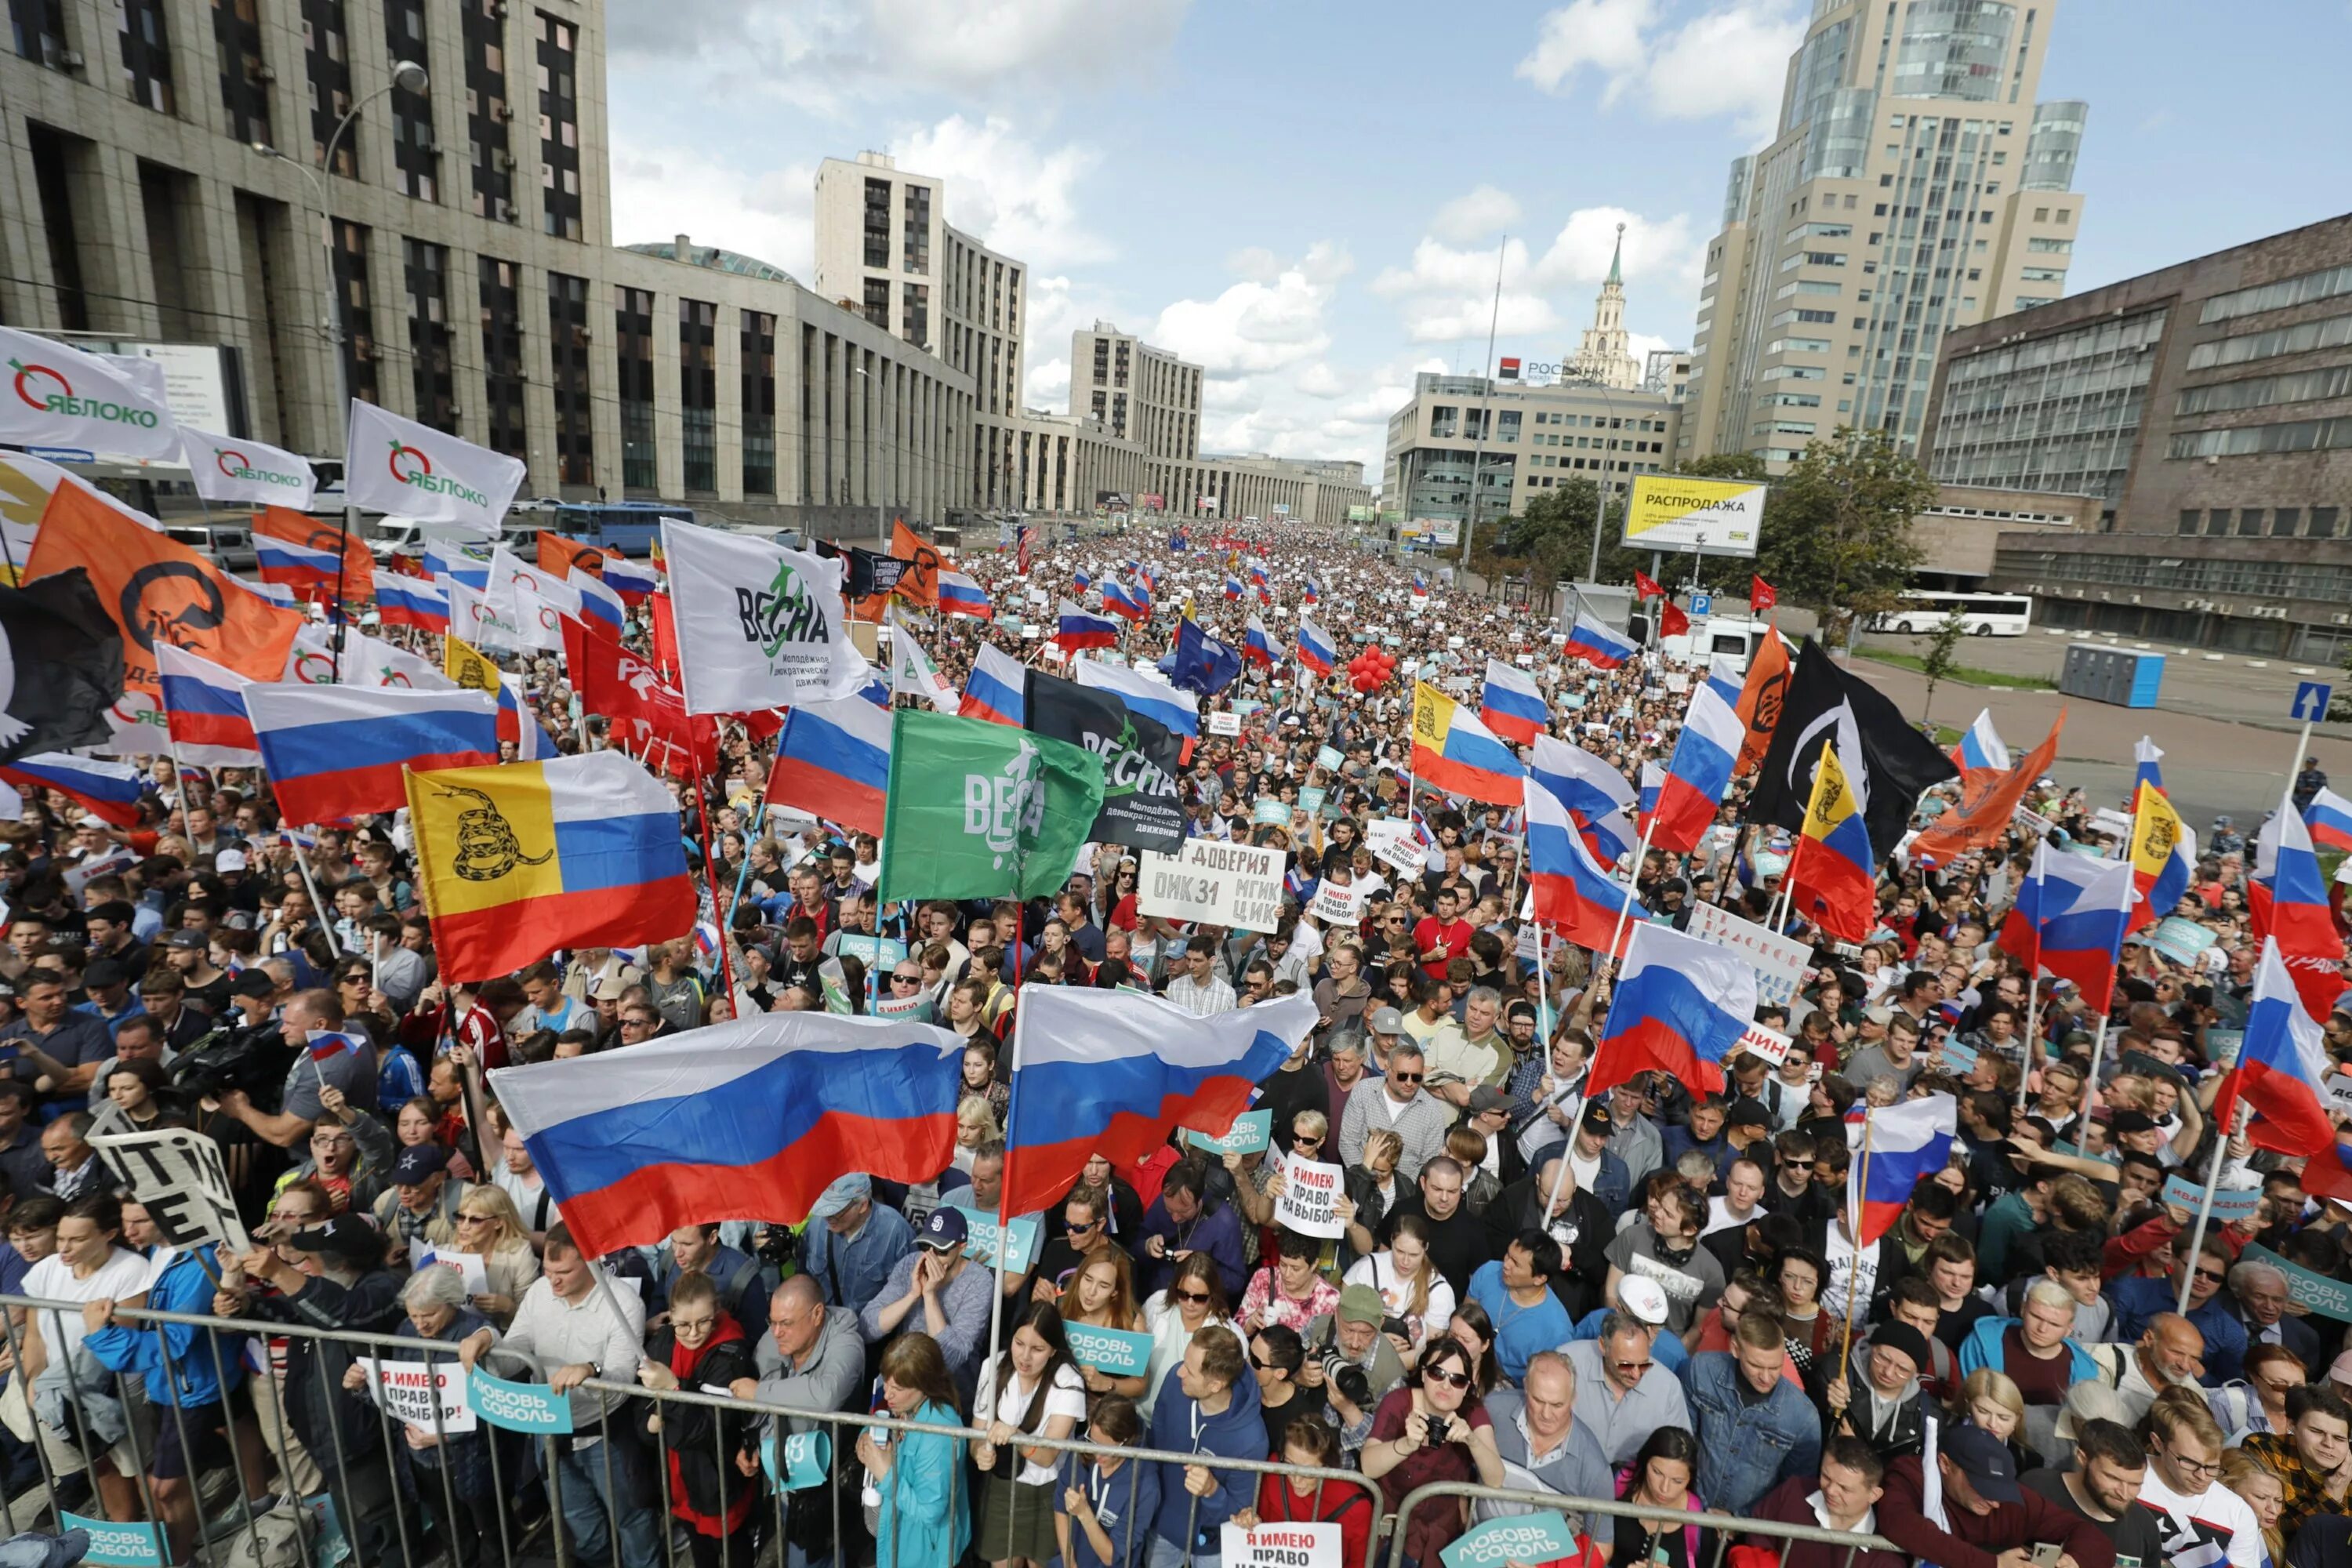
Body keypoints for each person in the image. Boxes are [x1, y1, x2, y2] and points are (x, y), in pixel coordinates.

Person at [463, 1221, 662, 1568]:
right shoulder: (541, 1291)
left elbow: (620, 1379)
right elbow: (517, 1350)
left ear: (591, 1263)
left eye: (564, 1272)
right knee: (581, 1523)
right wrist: (487, 1340)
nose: (553, 1280)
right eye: (547, 1269)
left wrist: (590, 1370)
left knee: (632, 1522)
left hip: (605, 1435)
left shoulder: (624, 1303)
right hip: (551, 1433)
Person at [17, 1192, 162, 1522]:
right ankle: (126, 1533)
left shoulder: (131, 1269)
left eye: (77, 1240)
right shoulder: (46, 1269)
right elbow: (35, 1333)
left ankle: (162, 1537)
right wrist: (33, 1381)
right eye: (61, 1238)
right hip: (57, 1388)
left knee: (139, 1467)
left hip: (115, 1390)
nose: (64, 1249)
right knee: (98, 1466)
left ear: (109, 1234)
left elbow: (117, 1343)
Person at [637, 1269, 760, 1568]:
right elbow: (641, 1407)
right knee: (699, 1547)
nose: (693, 1333)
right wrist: (648, 1424)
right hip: (679, 1476)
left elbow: (709, 1429)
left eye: (703, 1321)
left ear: (716, 1311)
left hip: (716, 1475)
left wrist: (672, 1390)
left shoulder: (731, 1354)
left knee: (732, 1547)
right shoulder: (663, 1342)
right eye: (683, 1324)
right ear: (671, 1317)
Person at [1362, 1334, 1503, 1568]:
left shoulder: (1472, 1412)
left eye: (1457, 1380)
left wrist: (1472, 1440)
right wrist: (1406, 1445)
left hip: (1443, 1537)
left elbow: (1496, 1479)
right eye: (1438, 1374)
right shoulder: (1399, 1402)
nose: (1446, 1386)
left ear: (1467, 1386)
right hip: (1392, 1531)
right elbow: (1368, 1465)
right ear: (1424, 1374)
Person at [973, 1303, 1088, 1568]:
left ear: (1053, 1351)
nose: (1025, 1357)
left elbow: (1048, 1456)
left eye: (1037, 1349)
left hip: (1048, 1492)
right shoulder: (993, 1366)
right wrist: (979, 1451)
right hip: (1000, 1488)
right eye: (1019, 1343)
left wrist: (1015, 1435)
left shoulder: (1068, 1381)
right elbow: (976, 1434)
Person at [1682, 1308, 1823, 1516]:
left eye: (1775, 1367)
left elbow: (1793, 1490)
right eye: (1756, 1366)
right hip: (1690, 1506)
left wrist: (1741, 1518)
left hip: (1752, 1526)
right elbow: (1684, 1441)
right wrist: (1691, 1501)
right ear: (1736, 1349)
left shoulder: (1803, 1416)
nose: (1766, 1377)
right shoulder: (1702, 1370)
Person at [1145, 1325, 1263, 1568]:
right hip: (1162, 1528)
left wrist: (1212, 1491)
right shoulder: (1174, 1381)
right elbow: (1158, 1425)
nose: (1179, 1373)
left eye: (1189, 1370)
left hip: (1213, 1545)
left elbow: (1240, 1511)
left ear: (1215, 1385)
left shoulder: (1251, 1438)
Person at [857, 1332, 973, 1568]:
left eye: (897, 1389)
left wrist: (885, 1474)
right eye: (886, 1383)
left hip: (925, 1556)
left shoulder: (939, 1433)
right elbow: (879, 1419)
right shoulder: (907, 1405)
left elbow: (930, 1512)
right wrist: (865, 1438)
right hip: (901, 1543)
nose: (887, 1395)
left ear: (924, 1386)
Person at [1485, 1352, 1617, 1558]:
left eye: (1557, 1405)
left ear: (1573, 1399)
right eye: (1538, 1400)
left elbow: (1601, 1547)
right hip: (1478, 1553)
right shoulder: (1493, 1410)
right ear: (1526, 1386)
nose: (1546, 1414)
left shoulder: (1594, 1467)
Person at [862, 1205, 993, 1390]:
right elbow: (867, 1328)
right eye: (926, 1246)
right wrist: (913, 1295)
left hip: (949, 1393)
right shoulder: (910, 1264)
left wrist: (930, 1296)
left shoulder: (979, 1282)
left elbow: (950, 1359)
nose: (931, 1257)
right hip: (901, 1384)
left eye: (941, 1251)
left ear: (962, 1248)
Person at [2138, 1388, 2263, 1568]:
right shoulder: (2126, 1475)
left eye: (2212, 1467)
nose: (2202, 1476)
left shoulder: (2238, 1513)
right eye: (2188, 1462)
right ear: (2158, 1443)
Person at [2022, 1416, 2168, 1568]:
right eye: (2112, 1478)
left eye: (2135, 1484)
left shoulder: (2145, 1526)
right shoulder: (2036, 1489)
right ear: (2082, 1459)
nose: (2124, 1494)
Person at [1748, 1436, 1911, 1568]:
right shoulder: (1793, 1491)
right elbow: (1757, 1534)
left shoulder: (1886, 1559)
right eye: (1826, 1477)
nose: (1831, 1490)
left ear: (1874, 1495)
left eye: (1844, 1488)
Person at [1243, 1416, 1377, 1568]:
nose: (1297, 1480)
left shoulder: (1357, 1506)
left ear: (1327, 1466)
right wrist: (1248, 1520)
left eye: (1309, 1472)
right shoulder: (1274, 1470)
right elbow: (1260, 1527)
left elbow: (1359, 1564)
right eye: (1289, 1465)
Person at [1054, 1396, 1161, 1568]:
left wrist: (1084, 1514)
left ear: (1128, 1441)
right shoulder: (1083, 1449)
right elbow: (1060, 1505)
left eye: (1108, 1449)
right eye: (1094, 1443)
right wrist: (1069, 1562)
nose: (1098, 1455)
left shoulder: (1145, 1485)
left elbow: (1111, 1557)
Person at [2238, 1385, 2352, 1541]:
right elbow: (2272, 1532)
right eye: (2317, 1432)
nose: (2329, 1444)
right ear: (2292, 1425)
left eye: (2339, 1438)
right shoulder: (2265, 1449)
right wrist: (2332, 1494)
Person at [1463, 1230, 1572, 1384]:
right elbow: (1464, 1319)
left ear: (1539, 1278)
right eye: (1508, 1255)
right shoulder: (1488, 1272)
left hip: (1511, 1387)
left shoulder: (1556, 1329)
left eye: (1516, 1263)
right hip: (1467, 1359)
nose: (1506, 1265)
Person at [802, 1172, 916, 1312]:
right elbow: (803, 1279)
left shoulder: (896, 1231)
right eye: (825, 1208)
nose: (828, 1217)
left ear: (862, 1206)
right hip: (825, 1326)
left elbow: (910, 1289)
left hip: (872, 1330)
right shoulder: (816, 1225)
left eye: (837, 1211)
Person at [1140, 1254, 1234, 1420]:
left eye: (1199, 1298)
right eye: (1183, 1294)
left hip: (1181, 1425)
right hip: (1139, 1413)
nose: (1190, 1303)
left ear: (1213, 1295)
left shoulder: (1226, 1333)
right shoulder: (1157, 1303)